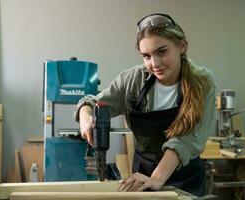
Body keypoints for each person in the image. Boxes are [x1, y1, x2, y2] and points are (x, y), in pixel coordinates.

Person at [74, 13, 216, 196]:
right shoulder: (132, 80)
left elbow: (187, 140)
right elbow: (94, 102)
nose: (155, 63)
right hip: (142, 175)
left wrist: (157, 179)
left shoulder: (202, 81)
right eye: (146, 56)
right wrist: (86, 116)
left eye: (162, 52)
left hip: (185, 179)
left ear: (182, 46)